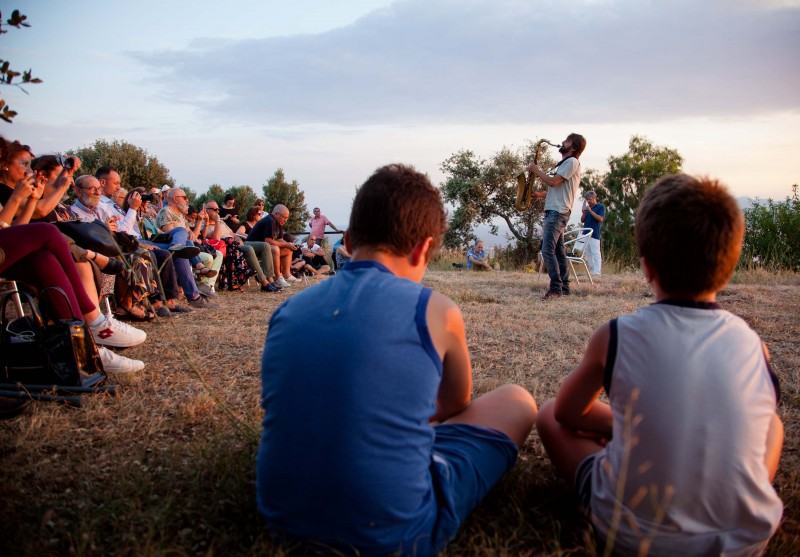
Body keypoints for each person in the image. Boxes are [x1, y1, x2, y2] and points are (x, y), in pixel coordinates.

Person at [256, 163, 537, 557]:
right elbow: (456, 404)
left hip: (283, 517)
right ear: (424, 248)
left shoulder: (288, 310)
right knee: (517, 400)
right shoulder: (436, 310)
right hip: (395, 531)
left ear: (349, 241)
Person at [536, 174, 783, 555]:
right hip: (746, 541)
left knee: (548, 414)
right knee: (774, 425)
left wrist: (621, 427)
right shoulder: (755, 346)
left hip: (630, 536)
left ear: (647, 267)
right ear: (729, 265)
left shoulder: (617, 335)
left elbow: (567, 413)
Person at [527, 133, 586, 299]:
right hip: (557, 210)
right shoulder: (567, 163)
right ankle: (564, 288)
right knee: (559, 252)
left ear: (573, 147)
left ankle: (555, 289)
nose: (562, 142)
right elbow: (559, 189)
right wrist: (538, 194)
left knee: (547, 250)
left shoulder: (572, 162)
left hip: (557, 212)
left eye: (566, 141)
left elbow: (554, 182)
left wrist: (536, 170)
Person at [246, 204, 297, 288]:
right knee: (275, 249)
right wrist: (286, 244)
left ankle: (287, 275)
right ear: (276, 214)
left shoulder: (278, 223)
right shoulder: (270, 221)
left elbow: (280, 239)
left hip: (265, 248)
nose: (285, 220)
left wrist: (289, 245)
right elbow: (268, 240)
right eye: (284, 217)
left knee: (288, 249)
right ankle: (277, 278)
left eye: (287, 218)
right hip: (253, 248)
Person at [580, 191, 604, 276]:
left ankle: (597, 272)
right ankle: (592, 271)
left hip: (594, 234)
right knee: (587, 253)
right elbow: (582, 220)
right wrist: (584, 212)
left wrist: (590, 211)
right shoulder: (587, 208)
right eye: (587, 200)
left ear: (594, 198)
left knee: (595, 253)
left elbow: (600, 219)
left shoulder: (600, 207)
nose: (588, 201)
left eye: (589, 199)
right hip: (585, 233)